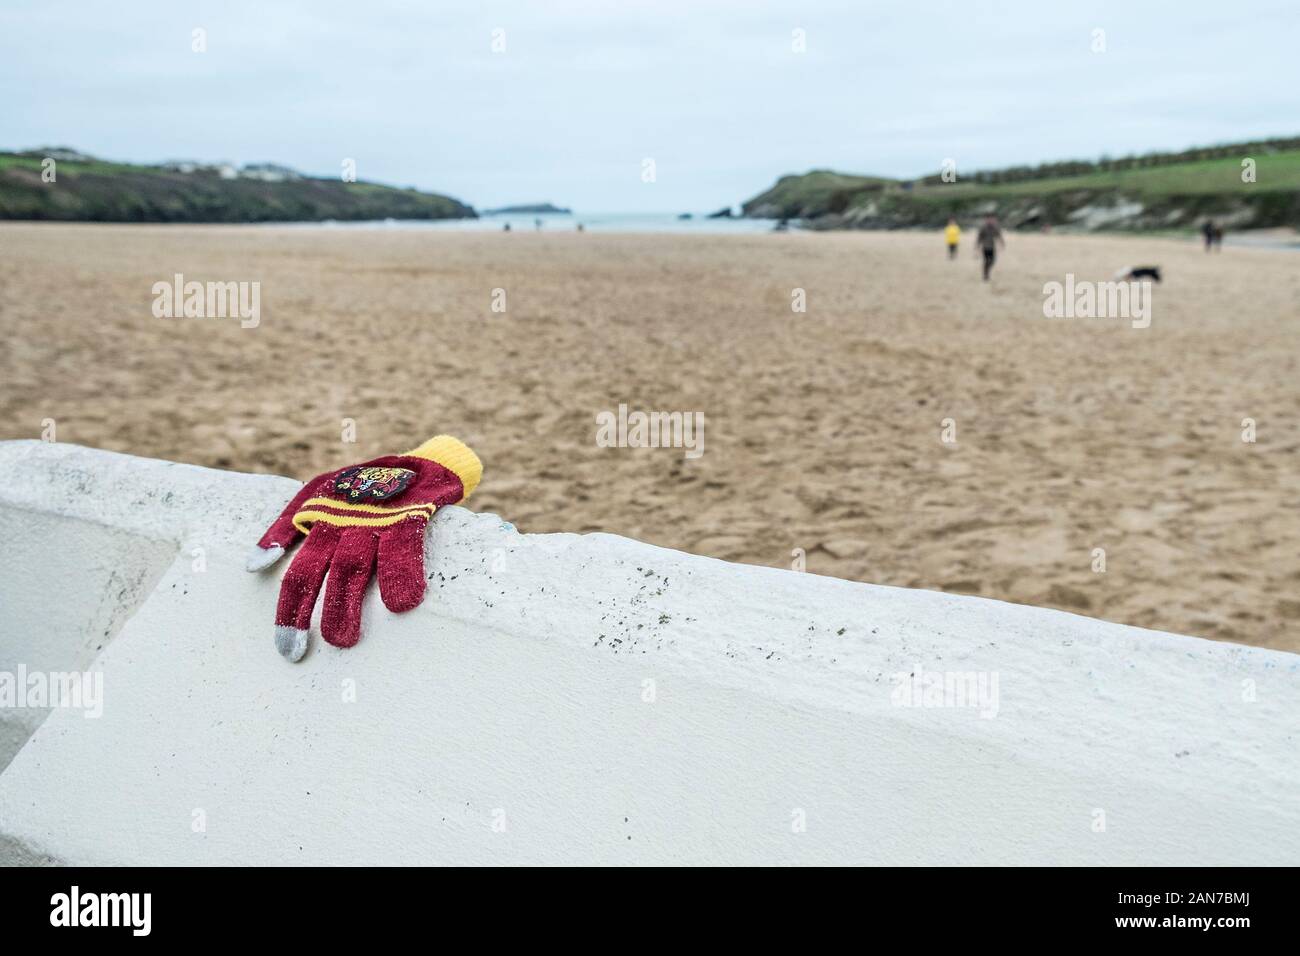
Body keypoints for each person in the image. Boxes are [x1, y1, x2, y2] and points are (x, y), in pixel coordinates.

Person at [975, 214, 1004, 281]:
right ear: (987, 220)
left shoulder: (995, 227)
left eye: (992, 219)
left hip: (992, 247)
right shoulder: (983, 227)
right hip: (985, 247)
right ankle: (985, 274)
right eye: (989, 219)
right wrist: (977, 246)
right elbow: (979, 237)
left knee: (992, 261)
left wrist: (1002, 243)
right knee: (986, 261)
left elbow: (999, 235)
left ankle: (986, 271)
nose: (991, 221)